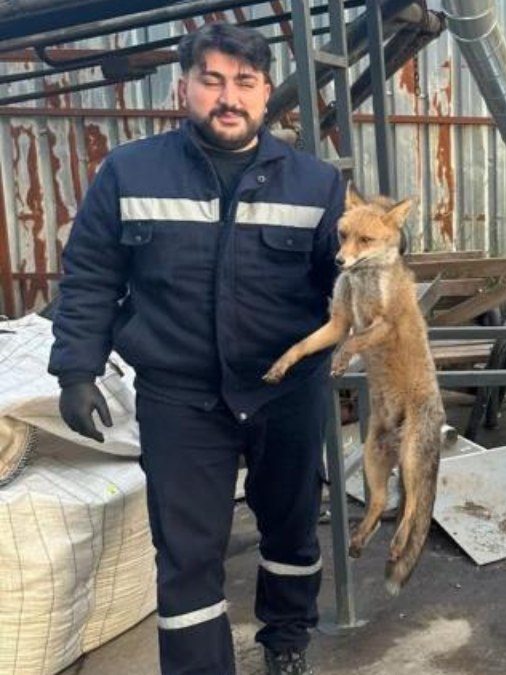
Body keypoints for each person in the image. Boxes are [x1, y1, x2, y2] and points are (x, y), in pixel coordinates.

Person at [49, 22, 344, 675]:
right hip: (179, 396)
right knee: (186, 554)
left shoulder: (317, 185)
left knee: (292, 531)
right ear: (184, 87)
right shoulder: (129, 173)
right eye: (211, 80)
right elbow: (92, 274)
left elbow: (346, 283)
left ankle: (287, 639)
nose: (228, 96)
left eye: (244, 82)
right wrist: (76, 368)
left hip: (286, 392)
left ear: (267, 93)